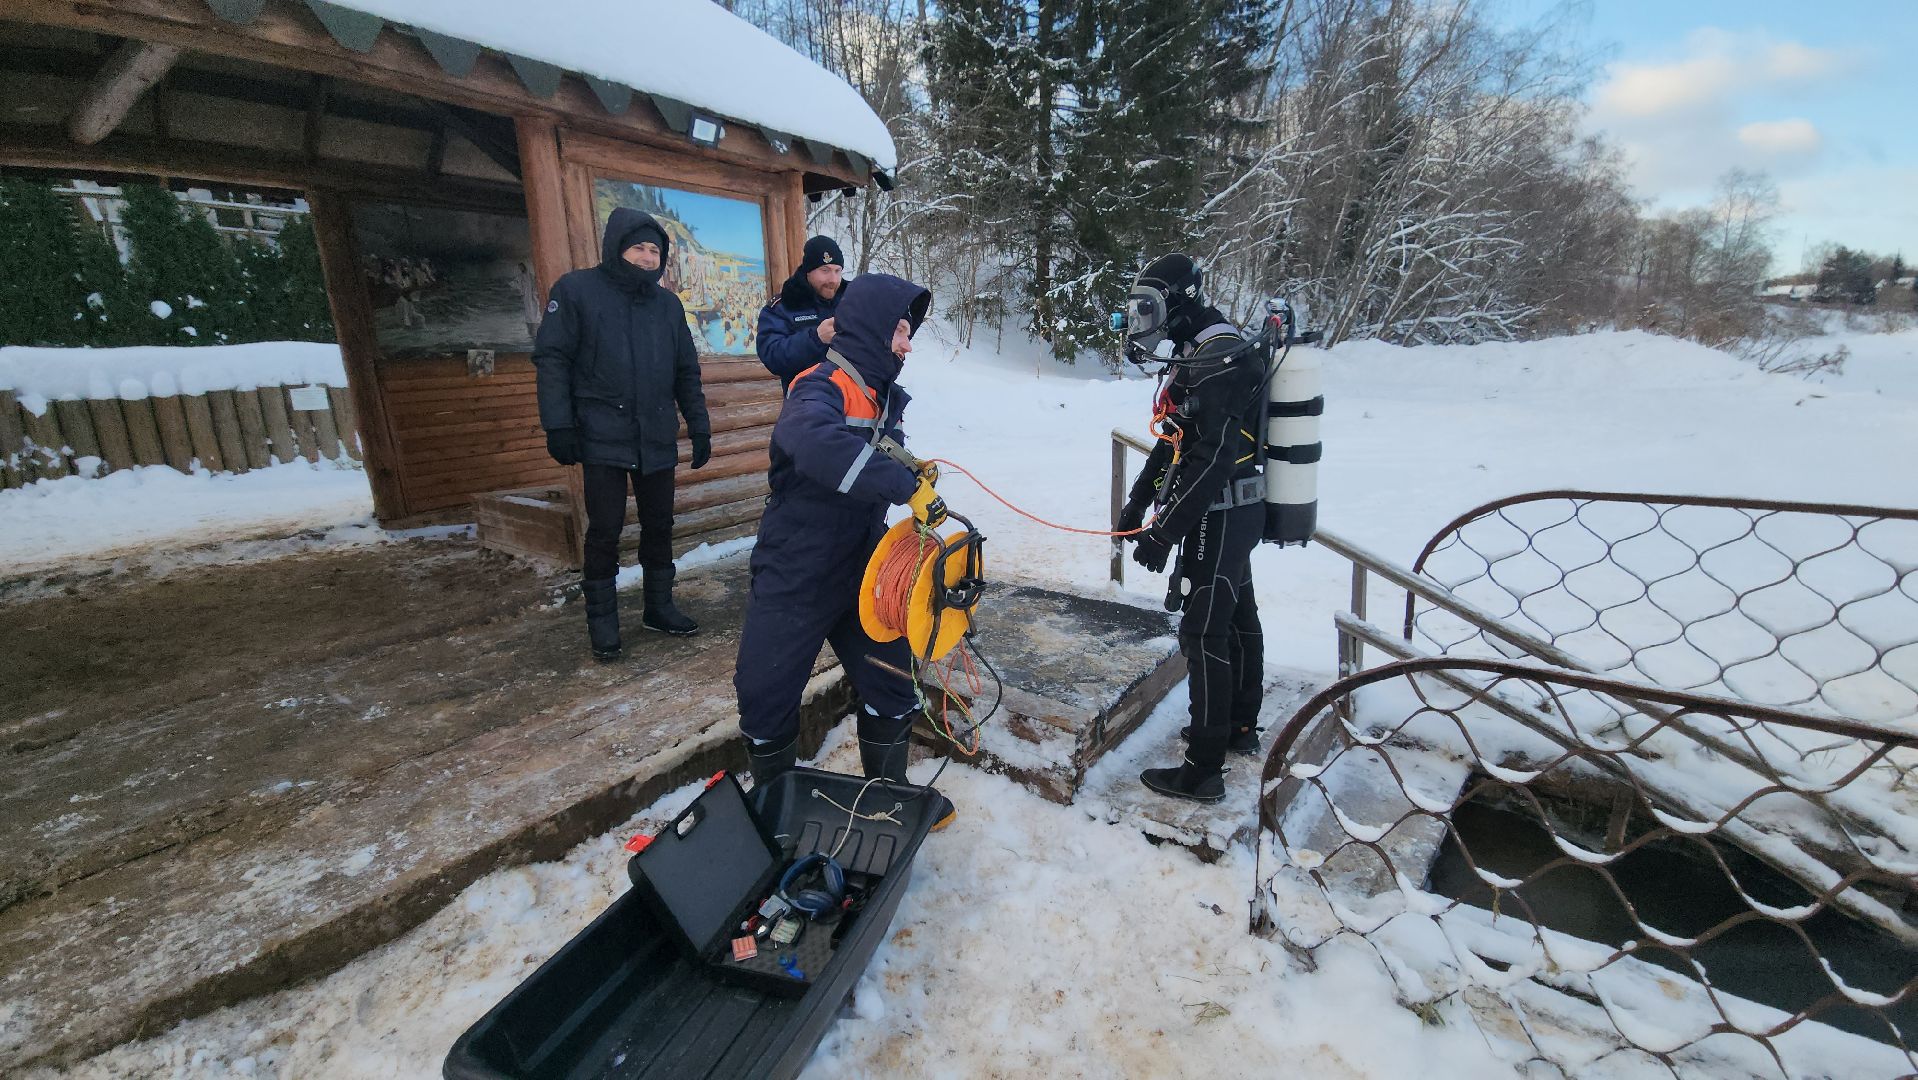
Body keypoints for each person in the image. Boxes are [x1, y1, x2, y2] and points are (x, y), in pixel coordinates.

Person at [733, 273, 946, 789]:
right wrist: (898, 483)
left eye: (908, 332)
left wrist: (913, 473)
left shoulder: (881, 396)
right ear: (870, 328)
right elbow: (812, 442)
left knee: (894, 683)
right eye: (899, 330)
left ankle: (889, 800)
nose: (907, 344)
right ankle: (774, 815)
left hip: (861, 570)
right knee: (765, 694)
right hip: (796, 568)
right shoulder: (817, 386)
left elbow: (876, 461)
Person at [1116, 254, 1267, 803]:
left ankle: (1203, 769)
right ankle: (1238, 727)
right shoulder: (1202, 350)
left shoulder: (1220, 359)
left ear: (1178, 302)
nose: (1140, 321)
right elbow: (1173, 436)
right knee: (1236, 613)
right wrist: (1137, 505)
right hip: (1229, 510)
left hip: (1222, 510)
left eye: (1148, 307)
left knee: (1204, 632)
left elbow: (1213, 458)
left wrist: (1166, 532)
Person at [534, 207, 713, 661]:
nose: (648, 257)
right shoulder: (577, 291)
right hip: (601, 433)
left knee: (659, 523)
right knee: (605, 529)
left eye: (655, 249)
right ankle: (603, 621)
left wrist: (699, 424)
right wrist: (558, 424)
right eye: (639, 246)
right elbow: (552, 359)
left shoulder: (668, 305)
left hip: (654, 432)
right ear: (617, 246)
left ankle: (658, 607)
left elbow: (685, 371)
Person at [755, 235, 845, 388]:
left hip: (857, 403)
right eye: (825, 270)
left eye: (838, 271)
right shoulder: (783, 306)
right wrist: (815, 339)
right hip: (807, 402)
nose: (833, 279)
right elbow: (772, 356)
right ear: (808, 271)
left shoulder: (852, 300)